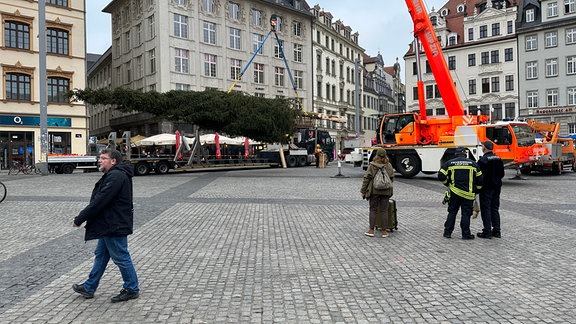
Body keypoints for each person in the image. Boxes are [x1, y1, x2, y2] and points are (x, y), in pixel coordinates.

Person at [72, 149, 140, 303]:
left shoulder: (116, 176)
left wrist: (80, 218)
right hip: (109, 223)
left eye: (103, 158)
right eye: (100, 158)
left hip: (114, 224)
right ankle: (89, 287)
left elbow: (101, 200)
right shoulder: (114, 174)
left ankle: (132, 288)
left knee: (121, 257)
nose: (100, 161)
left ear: (113, 161)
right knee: (101, 255)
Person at [438, 147, 483, 240]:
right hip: (468, 194)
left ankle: (447, 232)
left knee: (452, 212)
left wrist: (447, 183)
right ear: (465, 154)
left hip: (454, 193)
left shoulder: (450, 163)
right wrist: (477, 190)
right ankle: (466, 234)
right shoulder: (473, 164)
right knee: (466, 214)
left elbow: (441, 175)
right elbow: (480, 180)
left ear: (456, 154)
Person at [360, 148, 394, 238]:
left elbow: (366, 178)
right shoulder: (389, 165)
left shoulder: (372, 166)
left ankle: (371, 230)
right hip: (386, 191)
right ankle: (384, 232)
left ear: (377, 155)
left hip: (374, 191)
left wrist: (363, 191)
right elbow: (392, 178)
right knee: (384, 211)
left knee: (373, 210)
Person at [476, 140, 505, 239]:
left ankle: (487, 231)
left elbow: (480, 176)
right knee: (494, 208)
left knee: (485, 209)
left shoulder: (483, 160)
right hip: (497, 187)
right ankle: (497, 230)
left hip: (486, 188)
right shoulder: (498, 158)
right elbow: (502, 174)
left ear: (484, 147)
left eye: (482, 146)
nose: (481, 147)